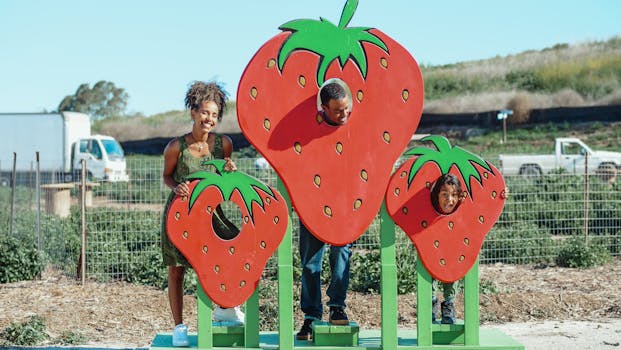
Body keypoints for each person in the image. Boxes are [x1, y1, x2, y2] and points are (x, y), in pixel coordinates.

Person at [161, 81, 244, 346]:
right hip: (180, 214)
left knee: (227, 256)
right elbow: (166, 176)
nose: (210, 119)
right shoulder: (176, 147)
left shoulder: (224, 145)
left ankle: (225, 308)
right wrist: (178, 186)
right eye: (205, 113)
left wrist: (230, 172)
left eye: (215, 115)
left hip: (212, 216)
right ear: (193, 113)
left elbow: (226, 182)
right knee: (177, 271)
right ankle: (179, 327)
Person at [296, 81, 353, 341]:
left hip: (344, 204)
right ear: (323, 109)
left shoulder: (353, 126)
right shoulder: (310, 128)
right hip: (312, 203)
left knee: (342, 254)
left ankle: (337, 306)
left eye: (346, 109)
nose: (344, 115)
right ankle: (310, 317)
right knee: (310, 263)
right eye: (338, 111)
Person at [429, 173, 463, 324]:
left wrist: (502, 194)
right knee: (428, 269)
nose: (449, 200)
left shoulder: (461, 208)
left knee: (452, 268)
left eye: (454, 195)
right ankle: (431, 302)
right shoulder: (429, 207)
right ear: (436, 195)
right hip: (430, 243)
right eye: (444, 194)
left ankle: (448, 304)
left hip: (452, 246)